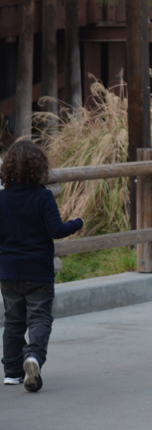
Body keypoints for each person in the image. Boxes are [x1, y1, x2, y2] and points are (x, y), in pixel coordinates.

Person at [0, 140, 84, 393]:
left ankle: (11, 372)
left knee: (13, 321)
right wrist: (77, 223)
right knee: (39, 317)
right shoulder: (43, 196)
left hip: (8, 271)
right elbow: (56, 230)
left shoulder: (1, 199)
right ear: (39, 168)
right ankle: (33, 356)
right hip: (38, 271)